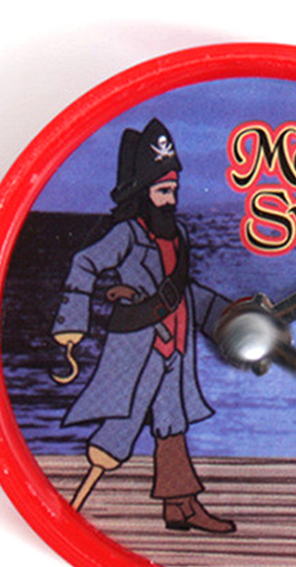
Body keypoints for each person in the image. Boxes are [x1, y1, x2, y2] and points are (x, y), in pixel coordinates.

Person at [51, 118, 235, 533]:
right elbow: (85, 263)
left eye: (174, 191)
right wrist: (71, 327)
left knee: (172, 424)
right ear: (144, 193)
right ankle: (69, 513)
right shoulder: (127, 235)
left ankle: (180, 507)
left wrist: (227, 317)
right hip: (140, 347)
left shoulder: (178, 235)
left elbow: (184, 292)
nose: (171, 200)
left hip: (176, 348)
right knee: (122, 425)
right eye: (163, 191)